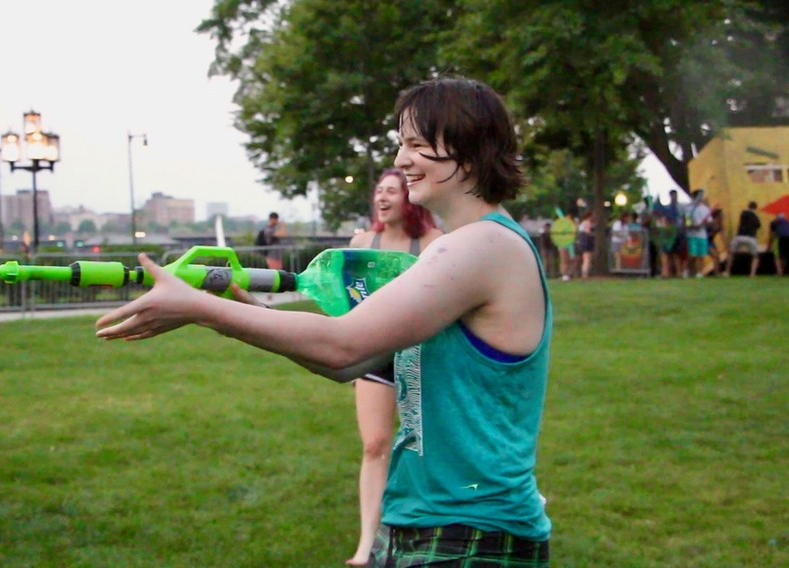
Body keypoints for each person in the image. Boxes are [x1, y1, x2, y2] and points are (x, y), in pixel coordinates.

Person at [97, 77, 553, 567]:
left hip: (475, 534)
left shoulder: (483, 246)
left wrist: (198, 308)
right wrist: (240, 304)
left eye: (417, 145)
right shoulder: (463, 247)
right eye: (402, 144)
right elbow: (350, 364)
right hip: (416, 520)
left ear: (469, 149)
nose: (401, 161)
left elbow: (343, 345)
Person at [344, 169, 443, 566]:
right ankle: (367, 543)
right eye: (378, 192)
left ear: (410, 199)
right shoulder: (362, 243)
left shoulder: (434, 243)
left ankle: (423, 528)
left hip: (423, 358)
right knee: (374, 445)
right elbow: (348, 300)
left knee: (424, 449)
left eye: (392, 191)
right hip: (374, 357)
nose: (382, 198)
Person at [724, 201, 761, 277]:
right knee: (755, 256)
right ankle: (752, 274)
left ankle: (727, 271)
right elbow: (758, 225)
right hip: (751, 237)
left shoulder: (743, 213)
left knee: (731, 253)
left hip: (739, 236)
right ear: (755, 208)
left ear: (748, 206)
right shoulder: (755, 216)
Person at [684, 189, 712, 278]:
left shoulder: (705, 209)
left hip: (702, 235)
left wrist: (704, 224)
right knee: (693, 255)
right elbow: (687, 221)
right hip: (692, 235)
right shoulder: (688, 208)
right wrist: (693, 225)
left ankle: (699, 272)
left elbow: (709, 221)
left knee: (701, 255)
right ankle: (686, 269)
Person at [768, 212, 789, 276]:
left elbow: (772, 235)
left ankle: (779, 272)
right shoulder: (787, 222)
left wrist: (769, 246)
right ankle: (782, 271)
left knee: (777, 255)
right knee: (785, 255)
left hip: (779, 238)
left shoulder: (774, 222)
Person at [577, 209, 595, 278]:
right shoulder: (587, 223)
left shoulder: (582, 223)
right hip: (586, 242)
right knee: (587, 258)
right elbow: (588, 232)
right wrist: (594, 234)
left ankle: (584, 272)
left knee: (586, 258)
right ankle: (585, 273)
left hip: (584, 241)